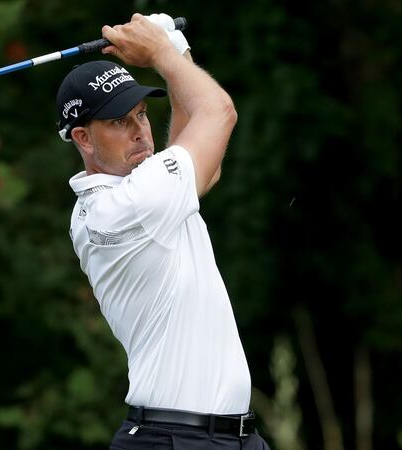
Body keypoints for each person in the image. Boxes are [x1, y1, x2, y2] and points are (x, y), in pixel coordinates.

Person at [56, 13, 270, 450]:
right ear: (83, 138)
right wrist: (160, 53)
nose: (140, 132)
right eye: (119, 122)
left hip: (227, 438)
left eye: (142, 115)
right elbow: (218, 112)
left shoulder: (126, 196)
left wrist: (175, 47)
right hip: (178, 439)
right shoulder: (127, 205)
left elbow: (202, 159)